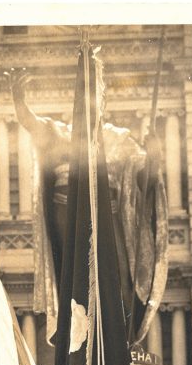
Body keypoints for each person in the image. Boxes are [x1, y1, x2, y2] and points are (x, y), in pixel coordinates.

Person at [9, 67, 168, 346]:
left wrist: (154, 155)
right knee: (74, 279)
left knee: (116, 278)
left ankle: (117, 337)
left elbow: (145, 177)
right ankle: (79, 338)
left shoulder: (117, 138)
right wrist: (19, 101)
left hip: (109, 217)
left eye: (94, 99)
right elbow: (30, 122)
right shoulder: (58, 134)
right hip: (67, 216)